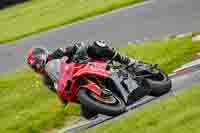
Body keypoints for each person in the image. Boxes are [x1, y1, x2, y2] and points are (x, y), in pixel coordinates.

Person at [26, 40, 140, 119]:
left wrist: (78, 53)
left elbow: (78, 46)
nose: (39, 67)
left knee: (97, 46)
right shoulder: (47, 80)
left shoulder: (57, 53)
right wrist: (65, 102)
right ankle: (103, 98)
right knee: (87, 114)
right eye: (35, 66)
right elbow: (59, 93)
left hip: (84, 64)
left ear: (44, 55)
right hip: (74, 83)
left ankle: (129, 62)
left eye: (39, 62)